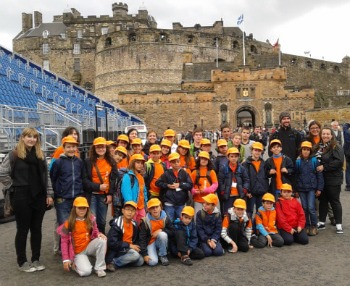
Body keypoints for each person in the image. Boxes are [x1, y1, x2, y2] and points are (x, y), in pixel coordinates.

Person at [0, 127, 53, 272]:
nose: (31, 139)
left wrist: (49, 194)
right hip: (21, 196)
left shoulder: (40, 155)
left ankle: (36, 259)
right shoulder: (14, 154)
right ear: (22, 138)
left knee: (37, 229)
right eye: (28, 136)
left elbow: (46, 177)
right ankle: (22, 261)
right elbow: (2, 173)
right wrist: (13, 186)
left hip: (39, 196)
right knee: (22, 230)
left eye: (34, 137)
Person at [57, 197, 107, 278]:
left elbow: (95, 232)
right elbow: (64, 242)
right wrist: (66, 259)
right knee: (86, 272)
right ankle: (75, 265)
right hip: (77, 252)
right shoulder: (68, 223)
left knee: (102, 240)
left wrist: (99, 234)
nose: (82, 210)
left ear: (87, 209)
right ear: (74, 208)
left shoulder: (91, 219)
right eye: (79, 208)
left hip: (88, 247)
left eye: (84, 208)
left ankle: (99, 268)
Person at [83, 137, 118, 234]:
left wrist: (110, 194)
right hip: (92, 194)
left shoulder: (111, 161)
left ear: (106, 148)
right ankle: (92, 239)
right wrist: (98, 187)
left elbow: (113, 180)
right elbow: (85, 180)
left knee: (102, 221)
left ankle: (101, 240)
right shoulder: (88, 161)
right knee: (92, 219)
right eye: (98, 147)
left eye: (102, 147)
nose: (101, 149)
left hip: (104, 194)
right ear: (94, 148)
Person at [50, 136, 85, 226]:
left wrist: (81, 193)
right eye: (68, 147)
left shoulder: (79, 162)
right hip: (63, 200)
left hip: (76, 199)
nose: (71, 149)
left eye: (73, 147)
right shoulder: (58, 163)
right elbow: (53, 178)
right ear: (63, 148)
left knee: (76, 226)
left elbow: (81, 178)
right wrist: (57, 193)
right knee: (64, 227)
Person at [315, 127, 344, 234]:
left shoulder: (336, 147)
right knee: (323, 201)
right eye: (324, 134)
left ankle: (339, 224)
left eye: (328, 134)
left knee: (334, 201)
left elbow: (339, 162)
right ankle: (322, 222)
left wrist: (324, 167)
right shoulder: (319, 147)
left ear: (331, 135)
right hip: (322, 179)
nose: (325, 136)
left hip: (334, 179)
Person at [295, 141, 324, 236]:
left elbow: (319, 175)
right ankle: (306, 225)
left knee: (311, 208)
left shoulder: (314, 160)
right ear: (301, 150)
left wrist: (319, 188)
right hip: (302, 188)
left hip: (311, 188)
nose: (306, 151)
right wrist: (296, 190)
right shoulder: (298, 161)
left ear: (310, 151)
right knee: (304, 208)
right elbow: (296, 175)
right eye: (304, 149)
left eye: (307, 150)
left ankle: (314, 225)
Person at [105, 201, 144, 271]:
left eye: (132, 210)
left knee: (140, 261)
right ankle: (112, 262)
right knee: (135, 256)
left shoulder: (134, 224)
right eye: (128, 209)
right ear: (123, 211)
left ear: (135, 213)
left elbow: (137, 239)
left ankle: (123, 261)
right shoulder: (116, 225)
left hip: (127, 249)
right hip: (117, 250)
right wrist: (129, 245)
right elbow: (112, 243)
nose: (130, 212)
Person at [156, 152, 193, 222]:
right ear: (170, 163)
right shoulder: (166, 173)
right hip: (169, 202)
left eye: (177, 161)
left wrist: (180, 185)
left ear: (180, 162)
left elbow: (190, 184)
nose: (176, 163)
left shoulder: (184, 173)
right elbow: (158, 183)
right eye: (173, 162)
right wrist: (167, 185)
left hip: (181, 202)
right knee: (169, 222)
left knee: (181, 221)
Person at [139, 198, 174, 266]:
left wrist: (161, 230)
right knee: (152, 262)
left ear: (161, 208)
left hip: (161, 241)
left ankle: (162, 255)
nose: (155, 209)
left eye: (157, 207)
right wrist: (144, 254)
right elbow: (142, 238)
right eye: (152, 207)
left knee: (162, 235)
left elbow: (173, 231)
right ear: (149, 210)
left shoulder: (165, 218)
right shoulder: (145, 221)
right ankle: (156, 252)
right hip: (150, 242)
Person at [217, 147, 249, 215]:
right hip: (228, 196)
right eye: (232, 156)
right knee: (227, 214)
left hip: (239, 195)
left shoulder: (241, 168)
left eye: (236, 156)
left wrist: (244, 189)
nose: (234, 158)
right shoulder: (223, 168)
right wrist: (223, 191)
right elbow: (220, 181)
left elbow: (246, 180)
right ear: (228, 157)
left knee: (239, 214)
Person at [242, 142, 269, 218]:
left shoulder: (263, 163)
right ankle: (249, 227)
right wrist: (247, 191)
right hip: (251, 192)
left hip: (261, 191)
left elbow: (266, 177)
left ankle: (258, 227)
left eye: (259, 151)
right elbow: (244, 178)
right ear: (252, 151)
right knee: (249, 210)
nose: (257, 152)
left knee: (260, 211)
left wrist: (265, 189)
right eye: (255, 150)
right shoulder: (246, 164)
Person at [120, 154, 148, 224]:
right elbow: (126, 193)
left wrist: (146, 203)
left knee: (142, 226)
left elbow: (144, 192)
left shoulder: (141, 177)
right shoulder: (127, 176)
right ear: (132, 163)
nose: (140, 165)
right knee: (132, 226)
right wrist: (131, 207)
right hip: (132, 208)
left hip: (141, 207)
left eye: (142, 163)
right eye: (138, 162)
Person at [191, 151, 218, 217]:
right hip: (198, 200)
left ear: (208, 161)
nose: (204, 160)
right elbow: (190, 185)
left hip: (210, 201)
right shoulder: (194, 172)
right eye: (202, 158)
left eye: (205, 159)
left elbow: (215, 185)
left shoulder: (212, 172)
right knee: (197, 218)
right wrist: (194, 191)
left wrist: (207, 190)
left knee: (210, 218)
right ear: (199, 160)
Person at [343, 122, 350, 192]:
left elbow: (345, 127)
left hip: (348, 153)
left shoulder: (347, 133)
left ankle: (348, 185)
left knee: (348, 169)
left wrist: (348, 124)